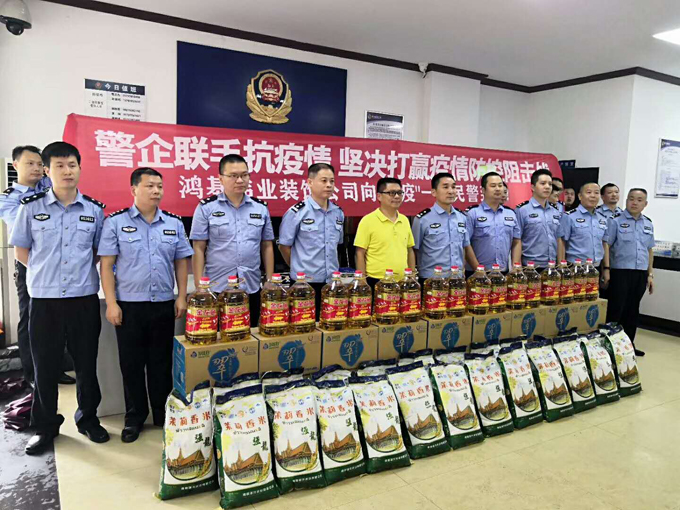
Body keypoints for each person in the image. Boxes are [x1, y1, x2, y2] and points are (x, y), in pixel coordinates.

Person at [11, 142, 109, 455]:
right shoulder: (31, 207)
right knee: (45, 367)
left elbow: (97, 252)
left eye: (72, 165)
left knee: (86, 365)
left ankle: (88, 419)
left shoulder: (94, 210)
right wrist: (46, 275)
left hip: (83, 299)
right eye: (59, 166)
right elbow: (22, 251)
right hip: (44, 301)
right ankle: (45, 427)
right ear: (47, 170)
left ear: (80, 168)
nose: (67, 171)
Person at [99, 168, 193, 443]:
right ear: (134, 189)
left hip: (162, 304)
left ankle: (163, 415)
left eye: (159, 186)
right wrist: (112, 303)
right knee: (131, 365)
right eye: (150, 186)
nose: (156, 191)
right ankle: (134, 417)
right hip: (129, 306)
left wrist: (181, 296)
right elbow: (106, 265)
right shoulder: (115, 222)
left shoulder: (173, 223)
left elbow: (181, 262)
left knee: (161, 363)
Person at [0, 146, 75, 386]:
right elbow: (24, 228)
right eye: (29, 163)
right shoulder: (9, 198)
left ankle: (56, 368)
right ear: (15, 166)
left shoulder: (50, 186)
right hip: (31, 263)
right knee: (30, 318)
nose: (35, 168)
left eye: (39, 164)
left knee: (57, 319)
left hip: (61, 263)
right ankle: (32, 374)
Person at [190, 154, 274, 326]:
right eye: (233, 176)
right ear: (221, 178)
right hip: (217, 287)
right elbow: (198, 247)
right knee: (219, 335)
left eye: (244, 175)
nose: (240, 180)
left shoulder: (260, 208)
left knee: (249, 335)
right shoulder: (207, 207)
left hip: (250, 285)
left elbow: (267, 246)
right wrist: (200, 286)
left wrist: (270, 280)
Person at [278, 163, 344, 317]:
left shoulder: (338, 213)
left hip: (332, 282)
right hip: (304, 283)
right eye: (324, 180)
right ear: (310, 182)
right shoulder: (297, 212)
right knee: (304, 324)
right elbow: (284, 246)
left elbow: (337, 245)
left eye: (332, 181)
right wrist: (297, 267)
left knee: (331, 323)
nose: (329, 185)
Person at [602, 188, 655, 357]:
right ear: (626, 201)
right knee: (616, 309)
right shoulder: (615, 221)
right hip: (620, 271)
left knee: (633, 310)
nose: (634, 202)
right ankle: (608, 346)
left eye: (639, 200)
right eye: (631, 198)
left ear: (645, 204)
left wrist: (650, 274)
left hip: (640, 272)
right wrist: (607, 269)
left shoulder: (648, 223)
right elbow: (606, 245)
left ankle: (628, 345)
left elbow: (649, 250)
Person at [412, 172, 475, 285]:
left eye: (453, 187)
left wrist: (478, 270)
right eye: (445, 187)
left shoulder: (462, 217)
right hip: (431, 280)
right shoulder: (422, 219)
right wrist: (412, 277)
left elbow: (466, 246)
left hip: (457, 279)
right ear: (434, 192)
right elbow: (413, 250)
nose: (451, 191)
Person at [354, 177, 415, 289]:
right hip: (376, 281)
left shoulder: (404, 220)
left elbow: (409, 250)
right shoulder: (368, 221)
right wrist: (362, 281)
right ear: (379, 196)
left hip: (402, 281)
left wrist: (412, 276)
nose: (397, 196)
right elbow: (360, 253)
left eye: (399, 193)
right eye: (391, 193)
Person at [465, 172, 521, 274]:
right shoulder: (473, 213)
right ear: (483, 190)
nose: (498, 189)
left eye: (500, 185)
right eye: (493, 186)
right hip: (476, 273)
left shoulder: (511, 214)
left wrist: (515, 266)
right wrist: (478, 269)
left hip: (503, 272)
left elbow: (516, 241)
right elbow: (466, 244)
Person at [516, 169, 561, 270]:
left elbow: (558, 239)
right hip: (530, 266)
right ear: (533, 187)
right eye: (543, 183)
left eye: (550, 184)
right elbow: (517, 240)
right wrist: (517, 267)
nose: (547, 187)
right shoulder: (522, 210)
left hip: (552, 266)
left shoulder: (555, 211)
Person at [557, 182, 608, 265]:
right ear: (580, 196)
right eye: (589, 192)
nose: (593, 196)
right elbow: (561, 242)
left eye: (596, 193)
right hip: (575, 266)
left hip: (596, 266)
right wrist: (561, 266)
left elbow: (604, 243)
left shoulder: (603, 218)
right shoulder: (569, 216)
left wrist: (606, 267)